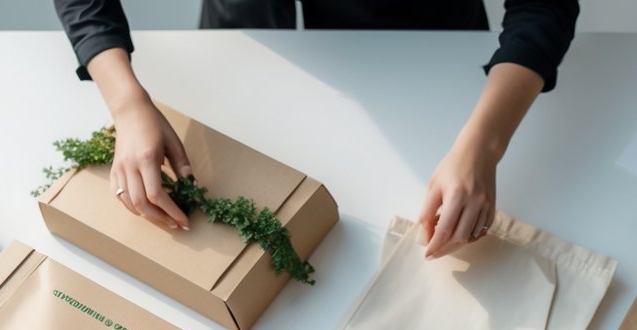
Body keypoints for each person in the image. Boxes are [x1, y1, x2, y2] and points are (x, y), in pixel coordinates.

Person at [55, 1, 579, 258]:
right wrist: (125, 101)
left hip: (426, 65)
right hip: (246, 55)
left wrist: (484, 144)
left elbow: (544, 5)